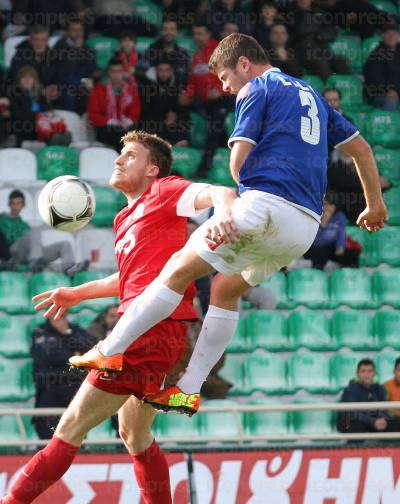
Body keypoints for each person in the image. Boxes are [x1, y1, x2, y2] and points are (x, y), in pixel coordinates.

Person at [65, 33, 387, 417]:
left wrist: (228, 214)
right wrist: (374, 205)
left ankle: (110, 350)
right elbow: (363, 151)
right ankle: (187, 390)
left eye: (223, 76)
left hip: (263, 204)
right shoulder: (313, 97)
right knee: (225, 287)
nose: (223, 86)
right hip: (303, 227)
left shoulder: (257, 88)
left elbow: (238, 161)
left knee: (177, 270)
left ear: (244, 64)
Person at [2, 131, 235, 503]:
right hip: (153, 331)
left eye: (129, 155)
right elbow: (127, 278)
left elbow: (221, 192)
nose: (118, 159)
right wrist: (77, 292)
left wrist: (221, 214)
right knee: (134, 435)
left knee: (71, 426)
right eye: (119, 154)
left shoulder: (165, 190)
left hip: (149, 332)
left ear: (151, 169)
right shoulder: (126, 216)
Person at [323, 88, 391, 223]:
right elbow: (338, 180)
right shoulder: (332, 160)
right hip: (336, 190)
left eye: (335, 100)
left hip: (353, 197)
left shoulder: (347, 123)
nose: (332, 104)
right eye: (328, 100)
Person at [31, 314, 97, 439]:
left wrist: (66, 333)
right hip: (49, 388)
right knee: (48, 435)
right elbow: (48, 356)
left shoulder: (74, 329)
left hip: (75, 388)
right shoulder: (40, 332)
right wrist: (74, 354)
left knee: (76, 434)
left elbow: (91, 348)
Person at [181, 22, 234, 176]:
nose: (197, 37)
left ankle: (204, 168)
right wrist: (187, 94)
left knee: (214, 128)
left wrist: (219, 90)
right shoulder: (197, 56)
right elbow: (192, 81)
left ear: (208, 34)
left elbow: (231, 74)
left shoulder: (220, 50)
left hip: (224, 99)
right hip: (205, 103)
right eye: (195, 34)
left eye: (200, 34)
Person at [0, 189, 88, 275]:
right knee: (34, 232)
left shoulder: (24, 225)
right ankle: (36, 263)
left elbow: (35, 244)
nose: (15, 207)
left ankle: (69, 269)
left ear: (23, 205)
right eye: (13, 203)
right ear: (9, 204)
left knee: (65, 244)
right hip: (12, 252)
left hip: (29, 254)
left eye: (18, 203)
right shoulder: (2, 219)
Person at [87, 58, 141, 151]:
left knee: (136, 133)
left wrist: (128, 120)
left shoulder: (131, 89)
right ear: (108, 73)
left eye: (119, 71)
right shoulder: (99, 89)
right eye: (113, 71)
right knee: (122, 135)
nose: (116, 75)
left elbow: (135, 110)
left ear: (123, 72)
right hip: (105, 128)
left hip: (126, 126)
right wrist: (110, 121)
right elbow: (93, 115)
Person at [53, 16, 97, 115]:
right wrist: (76, 51)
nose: (78, 33)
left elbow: (91, 69)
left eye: (80, 30)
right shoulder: (59, 47)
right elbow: (62, 72)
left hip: (83, 84)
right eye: (74, 30)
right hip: (65, 85)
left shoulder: (87, 48)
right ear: (67, 32)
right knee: (70, 94)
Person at [140, 61, 190, 146]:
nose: (164, 74)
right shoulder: (147, 86)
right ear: (156, 71)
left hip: (175, 125)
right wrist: (164, 119)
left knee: (182, 137)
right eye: (161, 70)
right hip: (154, 125)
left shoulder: (179, 85)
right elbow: (146, 111)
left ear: (172, 71)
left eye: (167, 70)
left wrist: (175, 115)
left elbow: (183, 110)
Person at [304, 196, 360, 269]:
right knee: (320, 252)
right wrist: (323, 223)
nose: (327, 207)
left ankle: (352, 270)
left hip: (331, 247)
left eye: (330, 205)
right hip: (316, 247)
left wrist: (340, 246)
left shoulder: (340, 216)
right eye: (324, 204)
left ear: (334, 206)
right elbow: (314, 239)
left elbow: (341, 232)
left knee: (352, 253)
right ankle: (318, 270)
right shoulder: (315, 215)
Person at [336, 358, 390, 434]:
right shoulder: (350, 389)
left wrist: (383, 419)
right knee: (354, 423)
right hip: (351, 422)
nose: (366, 374)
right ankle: (354, 446)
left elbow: (384, 409)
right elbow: (352, 412)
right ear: (357, 373)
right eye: (363, 371)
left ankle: (389, 446)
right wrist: (373, 421)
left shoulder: (379, 389)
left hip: (372, 421)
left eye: (370, 371)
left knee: (393, 423)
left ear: (375, 373)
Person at [10, 25, 59, 104]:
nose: (39, 43)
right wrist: (41, 91)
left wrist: (55, 87)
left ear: (47, 41)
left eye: (43, 40)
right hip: (25, 96)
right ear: (30, 40)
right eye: (36, 39)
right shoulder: (20, 56)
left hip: (48, 95)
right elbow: (19, 80)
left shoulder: (53, 56)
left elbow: (59, 75)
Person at [143, 19, 190, 88]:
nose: (169, 32)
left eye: (172, 29)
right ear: (161, 32)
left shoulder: (183, 53)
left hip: (177, 92)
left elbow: (186, 77)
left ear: (177, 32)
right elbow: (146, 74)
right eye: (165, 29)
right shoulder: (151, 51)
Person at [364, 23, 400, 111]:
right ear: (382, 37)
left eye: (394, 34)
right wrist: (389, 90)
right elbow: (375, 78)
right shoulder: (376, 55)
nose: (392, 36)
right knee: (392, 99)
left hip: (398, 91)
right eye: (388, 34)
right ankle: (390, 125)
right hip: (380, 93)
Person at [384, 357, 400, 432]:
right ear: (394, 371)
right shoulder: (386, 386)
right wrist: (394, 412)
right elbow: (383, 407)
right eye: (399, 370)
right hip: (393, 420)